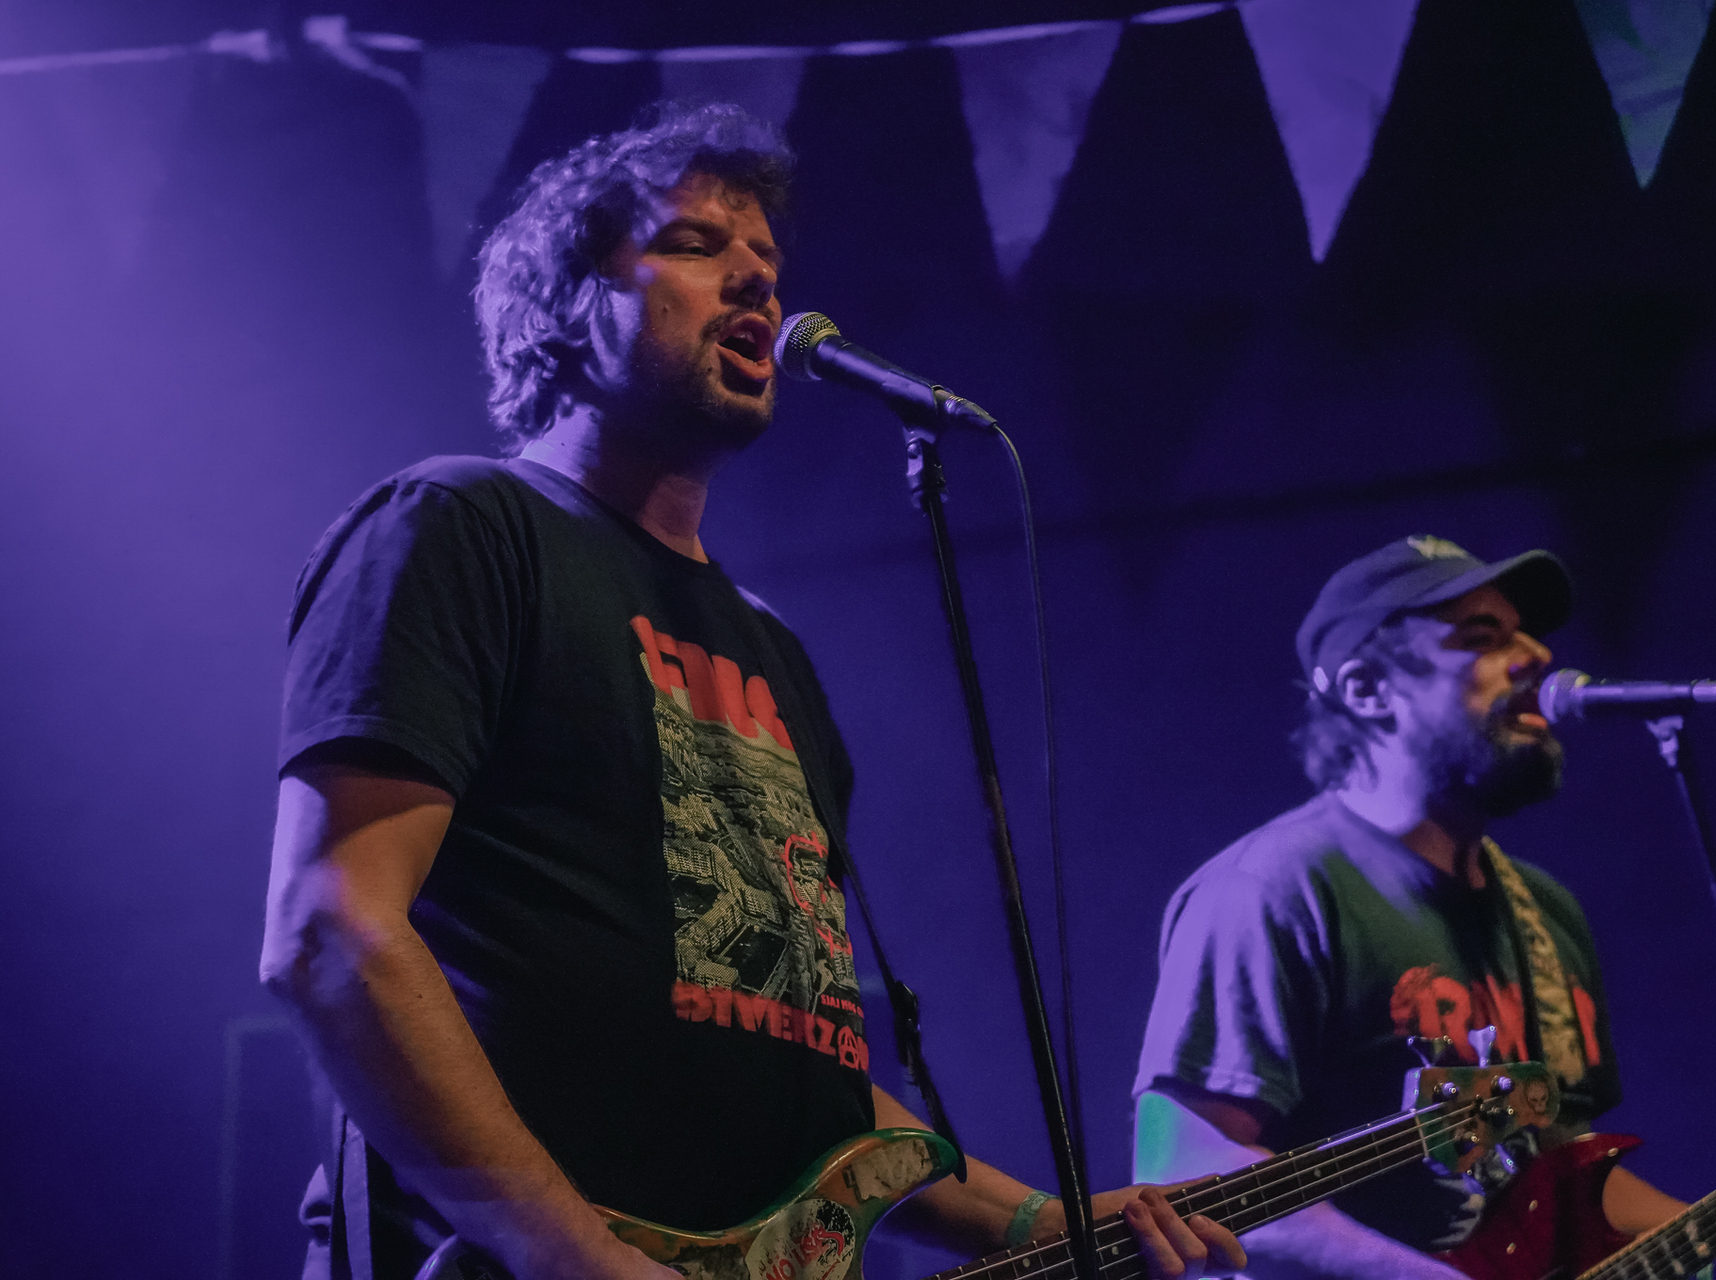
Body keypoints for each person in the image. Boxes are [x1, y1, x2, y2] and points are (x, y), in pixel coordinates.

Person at [260, 103, 1246, 1280]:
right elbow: (335, 928)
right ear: (565, 307)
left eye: (766, 256)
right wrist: (576, 1256)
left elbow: (801, 1058)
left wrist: (1044, 1218)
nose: (757, 280)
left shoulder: (774, 652)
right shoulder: (461, 528)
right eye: (692, 243)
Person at [1130, 535, 1716, 1278]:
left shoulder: (1546, 912)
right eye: (1484, 637)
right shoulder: (1271, 890)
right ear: (1366, 690)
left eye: (1526, 632)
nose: (1537, 655)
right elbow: (1188, 1173)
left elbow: (1561, 1173)